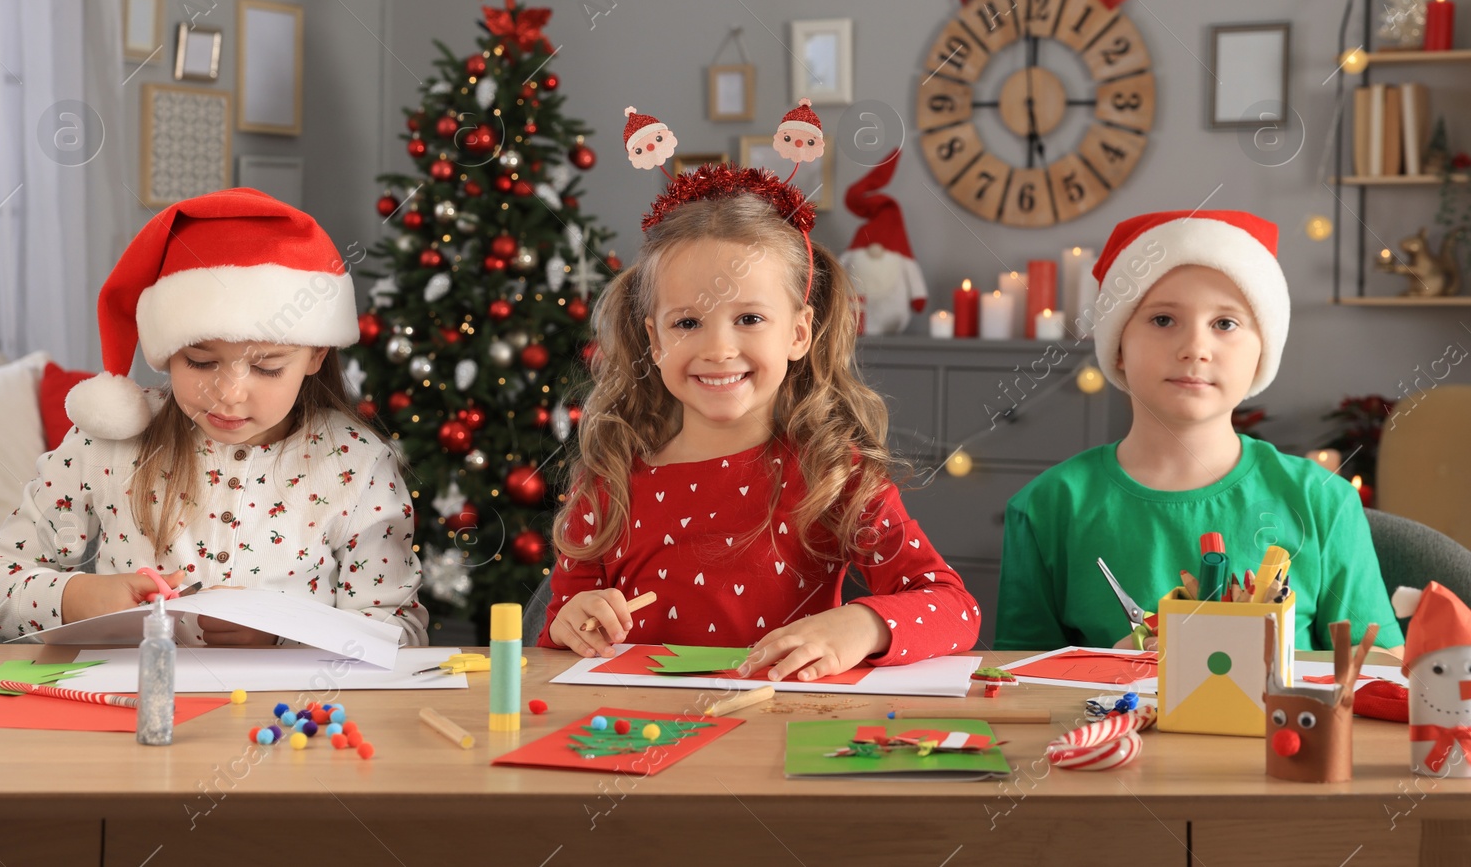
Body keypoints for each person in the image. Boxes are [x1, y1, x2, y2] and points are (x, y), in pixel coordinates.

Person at [537, 105, 979, 681]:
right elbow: (559, 630)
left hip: (779, 743)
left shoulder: (832, 475)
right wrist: (573, 618)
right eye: (687, 324)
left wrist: (861, 626)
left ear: (799, 332)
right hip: (634, 745)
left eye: (749, 318)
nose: (719, 349)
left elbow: (953, 606)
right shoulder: (609, 476)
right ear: (653, 338)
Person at [0, 188, 427, 646]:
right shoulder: (107, 443)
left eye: (267, 367)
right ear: (166, 354)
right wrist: (77, 596)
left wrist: (285, 632)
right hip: (123, 713)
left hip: (287, 721)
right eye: (200, 362)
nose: (228, 394)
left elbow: (401, 632)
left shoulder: (358, 466)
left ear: (316, 355)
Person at [995, 209, 1403, 653]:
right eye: (1163, 320)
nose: (1195, 349)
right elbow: (1017, 688)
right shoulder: (1046, 508)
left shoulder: (1324, 503)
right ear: (1116, 348)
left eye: (1225, 324)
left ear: (1262, 352)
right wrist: (1109, 669)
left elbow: (1376, 673)